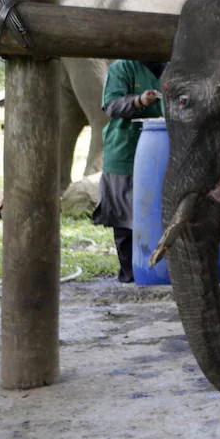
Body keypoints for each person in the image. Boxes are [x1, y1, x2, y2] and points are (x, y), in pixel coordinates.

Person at [91, 59, 165, 283]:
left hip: (163, 150)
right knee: (123, 216)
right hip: (125, 150)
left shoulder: (173, 66)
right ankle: (130, 273)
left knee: (158, 212)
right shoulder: (123, 67)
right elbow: (112, 106)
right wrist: (139, 101)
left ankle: (158, 270)